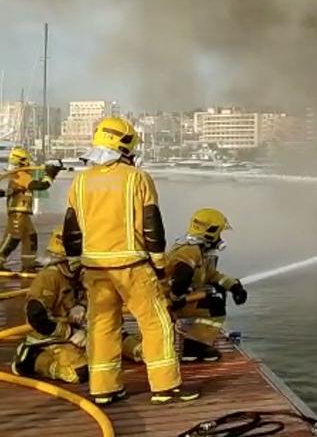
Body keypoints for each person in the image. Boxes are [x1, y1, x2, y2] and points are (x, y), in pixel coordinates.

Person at [62, 116, 199, 405]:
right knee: (155, 323)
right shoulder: (137, 178)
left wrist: (74, 264)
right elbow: (152, 225)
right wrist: (160, 265)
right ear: (124, 146)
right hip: (132, 268)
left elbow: (71, 228)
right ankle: (165, 387)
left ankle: (104, 389)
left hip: (95, 269)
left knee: (101, 327)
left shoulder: (80, 181)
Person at [11, 225, 142, 383]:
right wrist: (70, 333)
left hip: (85, 331)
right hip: (53, 338)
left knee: (127, 344)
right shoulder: (49, 278)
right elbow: (36, 317)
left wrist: (84, 308)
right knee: (79, 373)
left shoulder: (84, 275)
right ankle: (31, 359)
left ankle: (136, 350)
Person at [166, 208, 248, 362]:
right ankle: (195, 346)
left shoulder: (199, 250)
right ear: (211, 232)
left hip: (177, 299)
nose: (220, 238)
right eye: (220, 233)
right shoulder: (190, 251)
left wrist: (234, 286)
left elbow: (211, 275)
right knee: (214, 304)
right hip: (169, 301)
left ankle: (194, 345)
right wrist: (177, 298)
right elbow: (181, 278)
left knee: (217, 294)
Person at [0, 147, 62, 272]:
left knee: (30, 236)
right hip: (17, 213)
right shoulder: (21, 175)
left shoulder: (22, 175)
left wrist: (48, 174)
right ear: (23, 161)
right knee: (13, 237)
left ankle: (28, 263)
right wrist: (50, 175)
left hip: (23, 213)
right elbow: (39, 186)